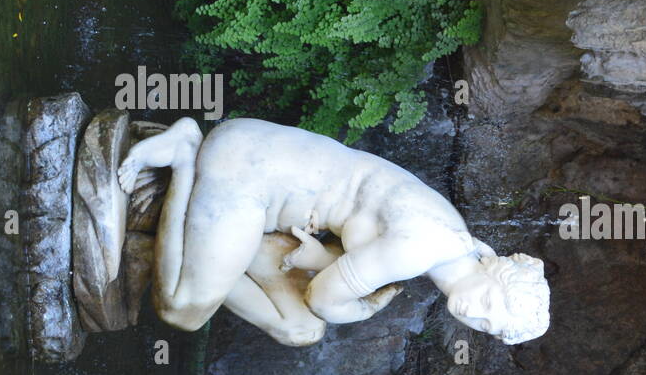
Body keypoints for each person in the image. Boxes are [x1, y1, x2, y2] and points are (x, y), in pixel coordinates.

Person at [117, 117, 549, 347]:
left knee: (300, 331)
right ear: (495, 271)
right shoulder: (426, 248)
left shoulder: (454, 246)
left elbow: (323, 294)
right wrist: (366, 308)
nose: (477, 315)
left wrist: (326, 263)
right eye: (490, 302)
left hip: (274, 206)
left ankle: (198, 254)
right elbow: (323, 298)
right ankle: (185, 155)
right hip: (250, 169)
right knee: (182, 311)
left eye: (488, 327)